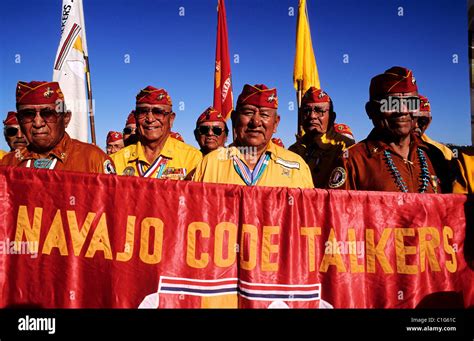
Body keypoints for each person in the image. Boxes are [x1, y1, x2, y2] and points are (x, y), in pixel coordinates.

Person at [327, 66, 451, 193]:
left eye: (411, 103)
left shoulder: (434, 156)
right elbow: (338, 211)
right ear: (371, 110)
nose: (403, 111)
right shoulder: (352, 161)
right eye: (392, 104)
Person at [193, 84, 313, 188]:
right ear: (234, 119)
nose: (255, 122)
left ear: (276, 123)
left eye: (264, 115)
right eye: (248, 113)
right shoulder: (210, 164)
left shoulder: (297, 166)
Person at [1, 81, 115, 174]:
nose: (38, 122)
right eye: (28, 114)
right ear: (19, 121)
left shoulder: (93, 160)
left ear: (66, 118)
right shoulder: (7, 164)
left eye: (48, 114)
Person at [111, 86, 202, 179]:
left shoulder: (192, 158)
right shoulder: (117, 160)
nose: (150, 119)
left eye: (158, 112)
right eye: (143, 112)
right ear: (136, 117)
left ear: (171, 119)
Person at [289, 87, 354, 188]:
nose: (312, 116)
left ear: (332, 117)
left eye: (319, 111)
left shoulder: (346, 147)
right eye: (306, 111)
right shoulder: (294, 150)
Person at [415, 95, 453, 160]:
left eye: (422, 120)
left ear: (429, 122)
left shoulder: (445, 153)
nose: (416, 125)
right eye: (411, 119)